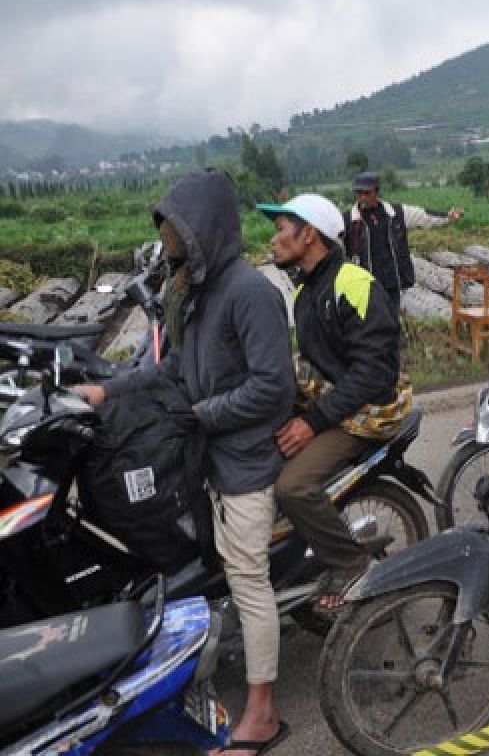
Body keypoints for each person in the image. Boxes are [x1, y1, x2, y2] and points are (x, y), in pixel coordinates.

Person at [75, 170, 294, 756]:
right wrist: (110, 391)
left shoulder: (251, 293)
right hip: (208, 456)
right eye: (167, 233)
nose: (170, 243)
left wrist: (205, 413)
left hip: (244, 461)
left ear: (208, 232)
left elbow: (275, 387)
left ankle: (264, 712)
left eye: (179, 232)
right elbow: (171, 368)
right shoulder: (196, 292)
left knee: (248, 577)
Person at [257, 193, 408, 615]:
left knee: (293, 486)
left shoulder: (352, 283)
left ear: (309, 236)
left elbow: (374, 371)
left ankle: (350, 561)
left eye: (282, 230)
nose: (274, 240)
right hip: (337, 400)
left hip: (369, 412)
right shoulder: (307, 290)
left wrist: (313, 422)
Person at [343, 171, 463, 314]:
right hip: (364, 285)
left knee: (392, 322)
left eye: (367, 193)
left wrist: (447, 216)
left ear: (376, 191)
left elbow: (423, 216)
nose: (362, 197)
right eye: (359, 193)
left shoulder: (396, 213)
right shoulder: (348, 220)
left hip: (393, 282)